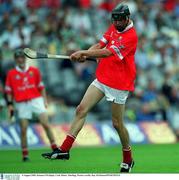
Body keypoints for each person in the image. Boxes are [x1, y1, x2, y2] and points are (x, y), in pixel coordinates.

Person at [42, 4, 138, 173]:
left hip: (119, 84)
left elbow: (107, 53)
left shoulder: (131, 36)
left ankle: (128, 159)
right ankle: (64, 150)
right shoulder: (114, 26)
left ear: (127, 18)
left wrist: (83, 53)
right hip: (102, 78)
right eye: (114, 20)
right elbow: (100, 45)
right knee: (80, 109)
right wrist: (85, 53)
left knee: (117, 124)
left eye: (119, 20)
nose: (116, 23)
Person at [5, 49, 57, 162]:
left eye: (22, 57)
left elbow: (41, 87)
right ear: (15, 60)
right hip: (21, 103)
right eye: (18, 58)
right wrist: (10, 105)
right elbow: (8, 91)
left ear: (25, 58)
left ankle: (55, 148)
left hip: (36, 100)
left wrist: (44, 100)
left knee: (46, 124)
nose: (20, 59)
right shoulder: (11, 74)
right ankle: (25, 154)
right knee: (23, 129)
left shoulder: (34, 70)